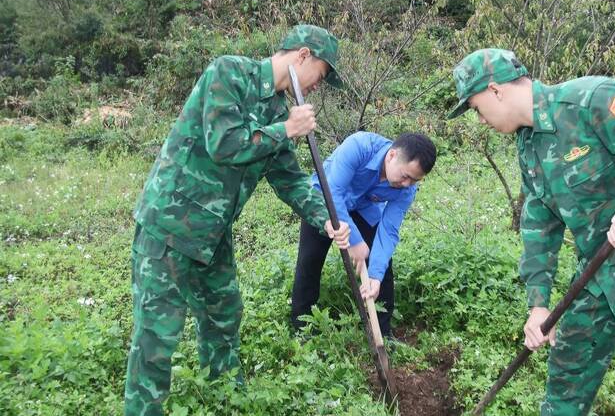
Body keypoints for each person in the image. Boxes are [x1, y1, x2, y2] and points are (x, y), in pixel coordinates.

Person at [447, 48, 615, 415]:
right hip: (601, 267)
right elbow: (539, 225)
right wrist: (538, 305)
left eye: (475, 108)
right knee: (569, 367)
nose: (480, 119)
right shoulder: (529, 146)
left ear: (495, 90)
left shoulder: (590, 100)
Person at [124, 24, 351, 416]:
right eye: (322, 74)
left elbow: (291, 181)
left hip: (213, 234)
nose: (319, 85)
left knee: (224, 314)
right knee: (156, 336)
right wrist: (287, 129)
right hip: (171, 227)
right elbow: (223, 142)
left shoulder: (278, 109)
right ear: (302, 56)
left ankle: (226, 397)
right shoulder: (228, 73)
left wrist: (325, 219)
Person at [291, 131, 437, 338]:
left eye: (414, 181)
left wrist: (375, 275)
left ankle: (384, 334)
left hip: (362, 207)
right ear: (392, 155)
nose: (407, 184)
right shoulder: (359, 146)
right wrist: (354, 241)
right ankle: (302, 330)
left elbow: (388, 230)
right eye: (405, 176)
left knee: (382, 267)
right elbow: (334, 192)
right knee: (310, 261)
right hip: (324, 200)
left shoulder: (407, 189)